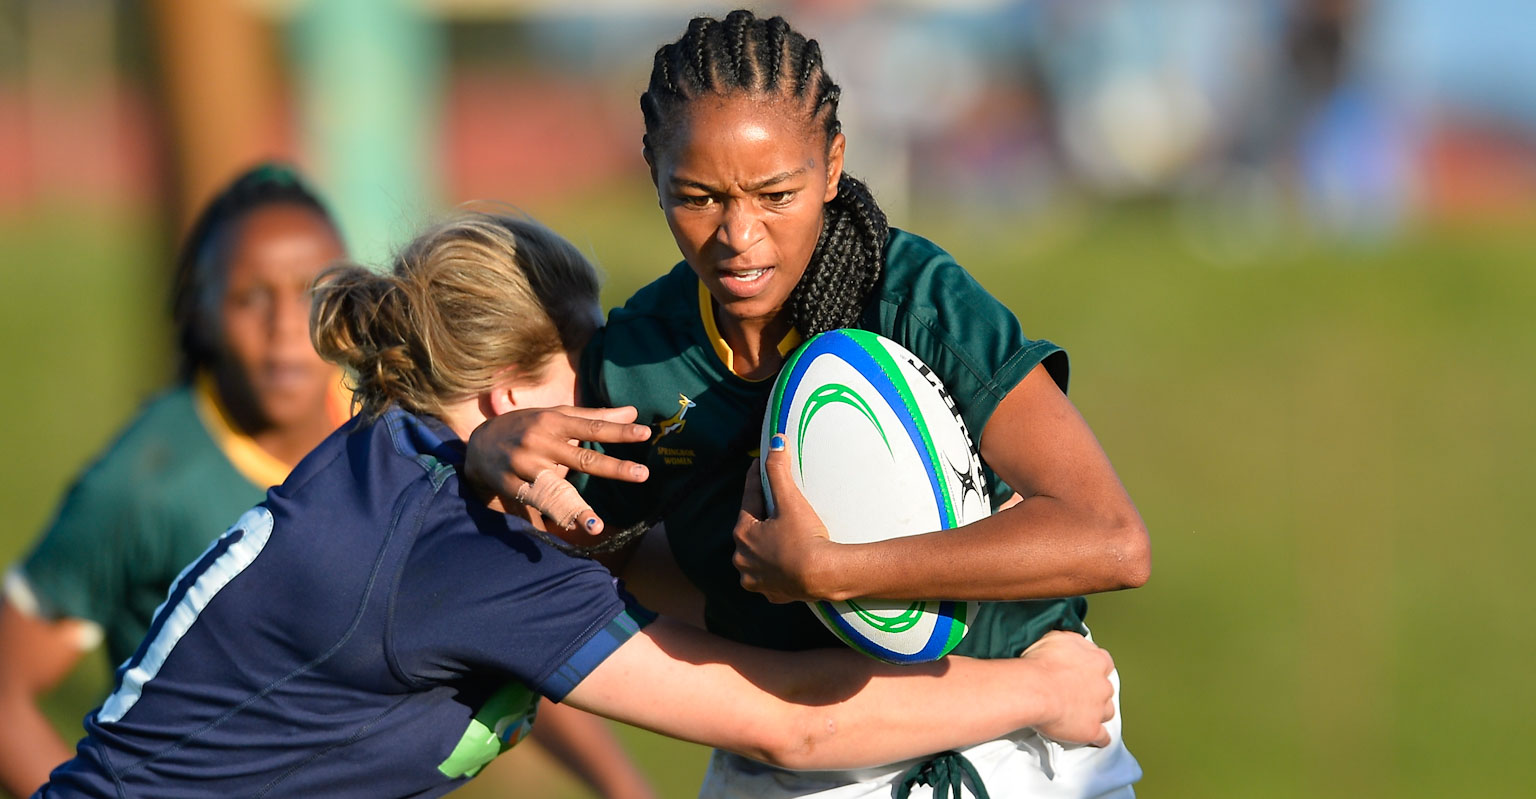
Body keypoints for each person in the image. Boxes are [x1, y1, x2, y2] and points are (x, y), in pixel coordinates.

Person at [30, 212, 1118, 798]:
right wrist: (1031, 687)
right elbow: (785, 724)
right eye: (587, 375)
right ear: (507, 398)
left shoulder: (392, 464)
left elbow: (641, 580)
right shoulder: (460, 547)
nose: (616, 404)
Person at [463, 11, 1152, 798]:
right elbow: (592, 544)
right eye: (698, 196)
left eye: (776, 193)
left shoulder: (914, 297)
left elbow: (1110, 539)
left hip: (1022, 750)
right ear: (652, 171)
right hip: (787, 768)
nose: (739, 235)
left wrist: (835, 571)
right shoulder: (637, 355)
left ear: (832, 167)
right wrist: (494, 465)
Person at [0, 167, 650, 799]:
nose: (286, 326)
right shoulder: (149, 479)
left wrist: (619, 781)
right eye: (252, 296)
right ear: (201, 310)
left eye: (307, 290)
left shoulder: (401, 439)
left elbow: (511, 621)